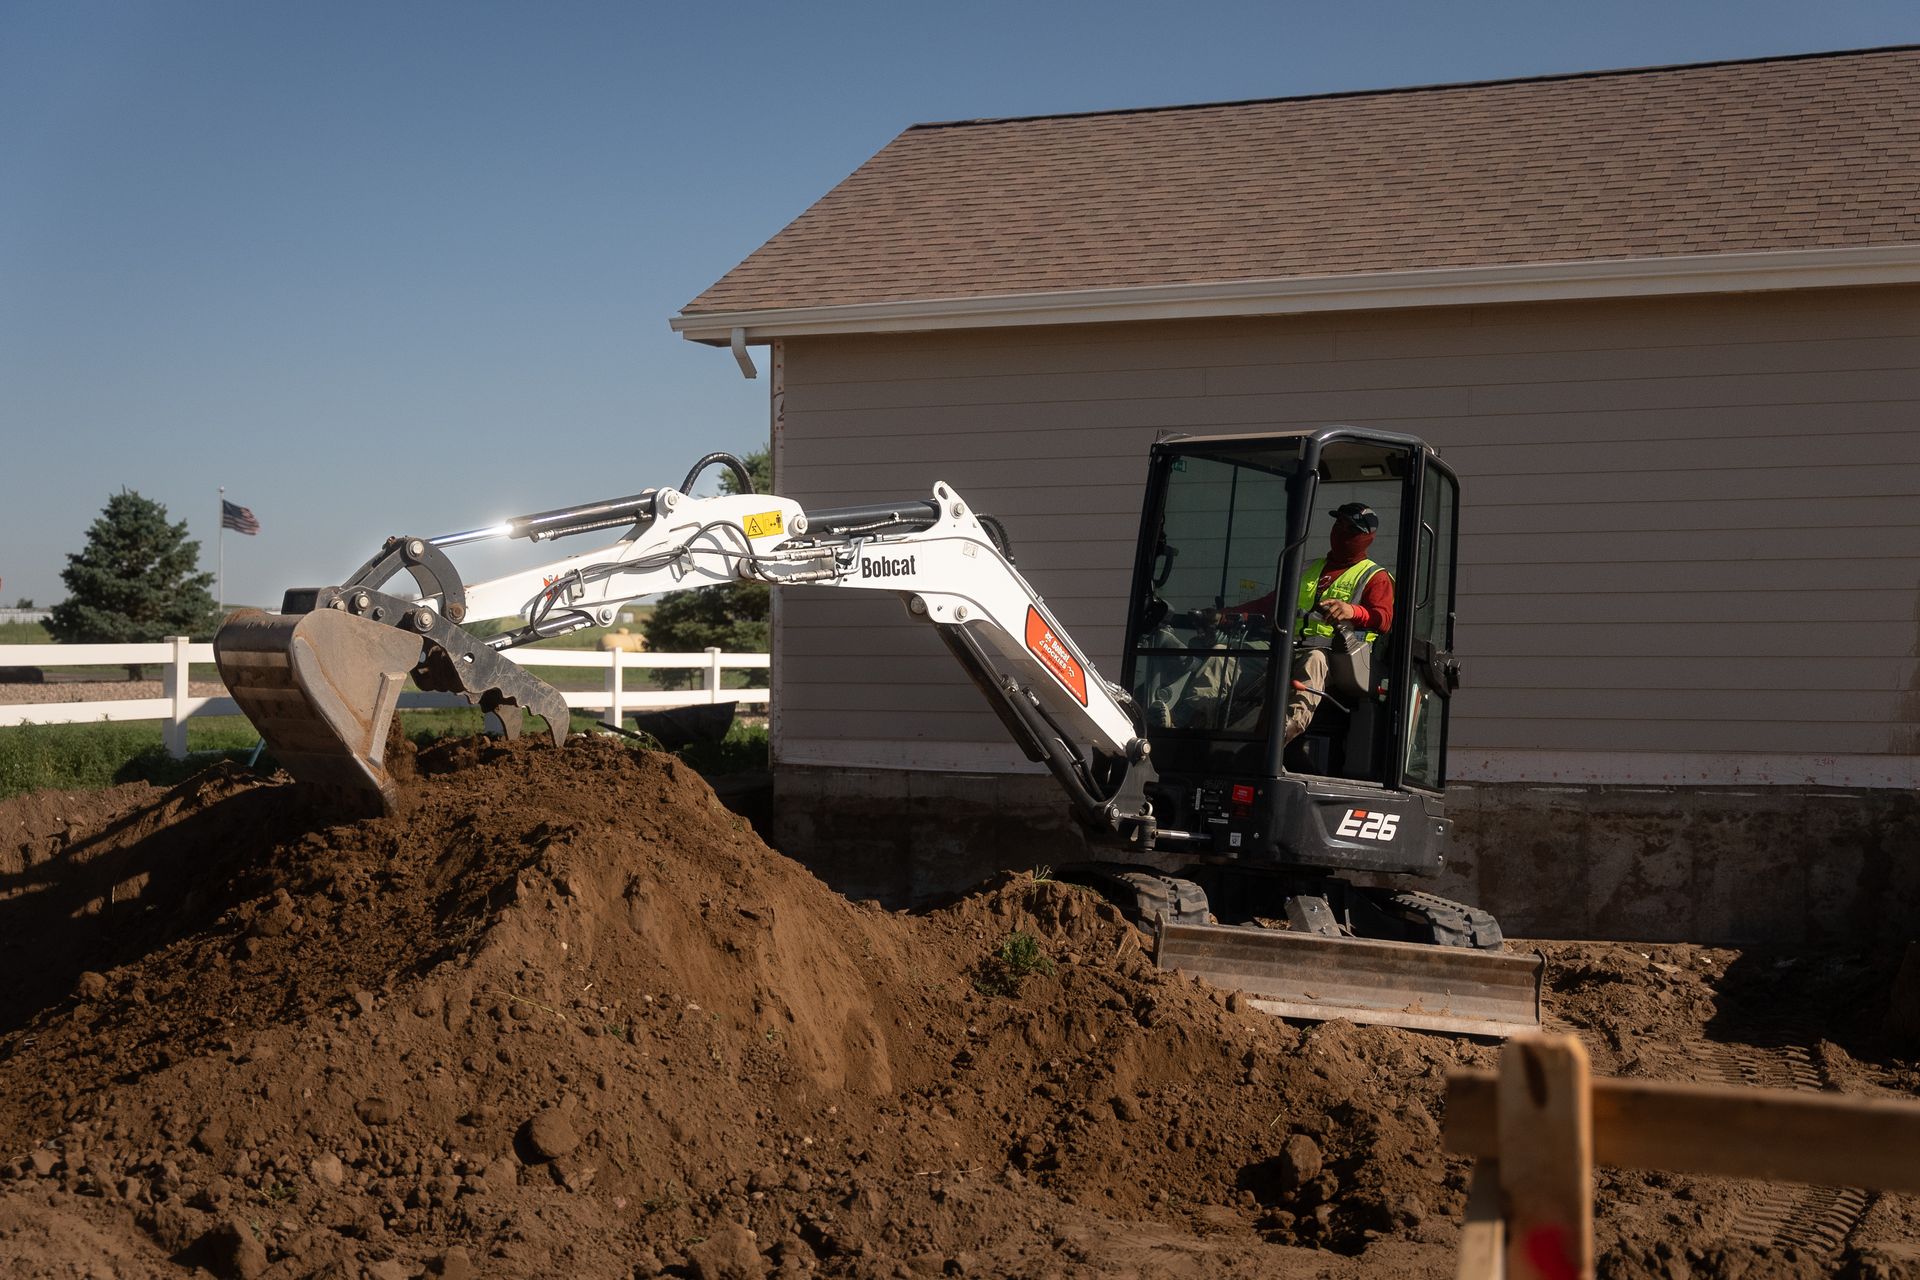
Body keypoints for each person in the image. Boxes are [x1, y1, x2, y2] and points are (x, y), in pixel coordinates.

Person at [1169, 502, 1393, 742]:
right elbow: (1268, 605)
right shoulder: (1307, 567)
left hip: (1332, 654)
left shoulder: (1375, 577)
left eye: (1349, 528)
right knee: (1224, 655)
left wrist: (1353, 611)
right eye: (1338, 524)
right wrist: (1222, 616)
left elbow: (1383, 619)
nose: (1340, 532)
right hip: (1284, 645)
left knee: (1313, 663)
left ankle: (1276, 738)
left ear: (1366, 537)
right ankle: (1186, 722)